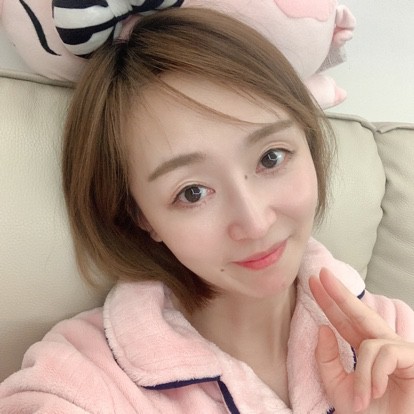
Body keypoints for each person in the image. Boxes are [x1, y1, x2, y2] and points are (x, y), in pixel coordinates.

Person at [1, 7, 413, 414]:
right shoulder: (83, 379)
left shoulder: (394, 335)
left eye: (271, 158)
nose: (255, 223)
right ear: (141, 216)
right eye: (193, 192)